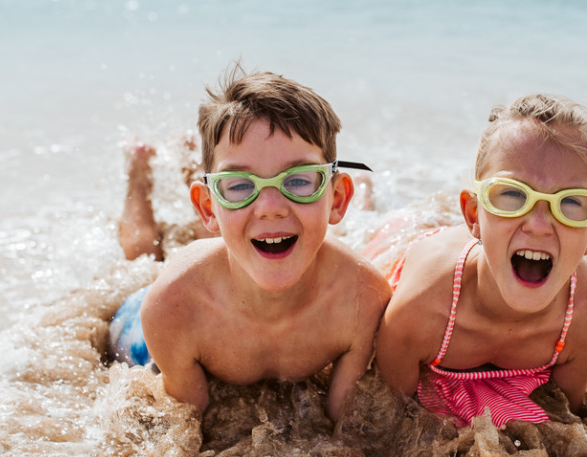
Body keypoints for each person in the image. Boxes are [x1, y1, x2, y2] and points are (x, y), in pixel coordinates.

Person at [372, 94, 587, 457]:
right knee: (383, 228)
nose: (540, 223)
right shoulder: (420, 308)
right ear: (472, 213)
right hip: (410, 252)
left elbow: (557, 417)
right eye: (512, 195)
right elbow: (385, 417)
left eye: (571, 203)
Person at [109, 65, 391, 423]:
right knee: (142, 256)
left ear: (336, 199)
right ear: (206, 208)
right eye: (241, 184)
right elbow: (185, 434)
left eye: (300, 180)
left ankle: (217, 176)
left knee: (241, 228)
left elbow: (348, 431)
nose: (271, 207)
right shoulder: (173, 305)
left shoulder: (363, 300)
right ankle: (139, 173)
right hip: (144, 328)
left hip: (222, 260)